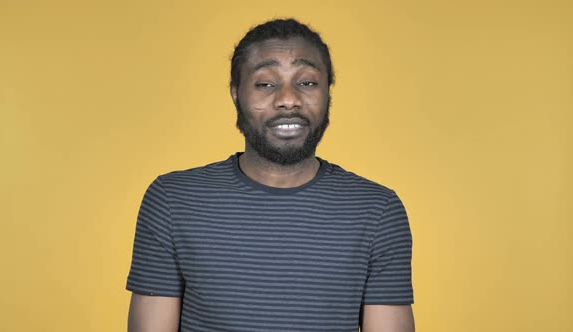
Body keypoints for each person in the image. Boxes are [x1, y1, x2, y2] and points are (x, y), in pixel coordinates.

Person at [126, 18, 415, 332]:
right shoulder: (172, 200)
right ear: (236, 93)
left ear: (328, 93)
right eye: (265, 83)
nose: (288, 99)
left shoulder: (378, 210)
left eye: (307, 82)